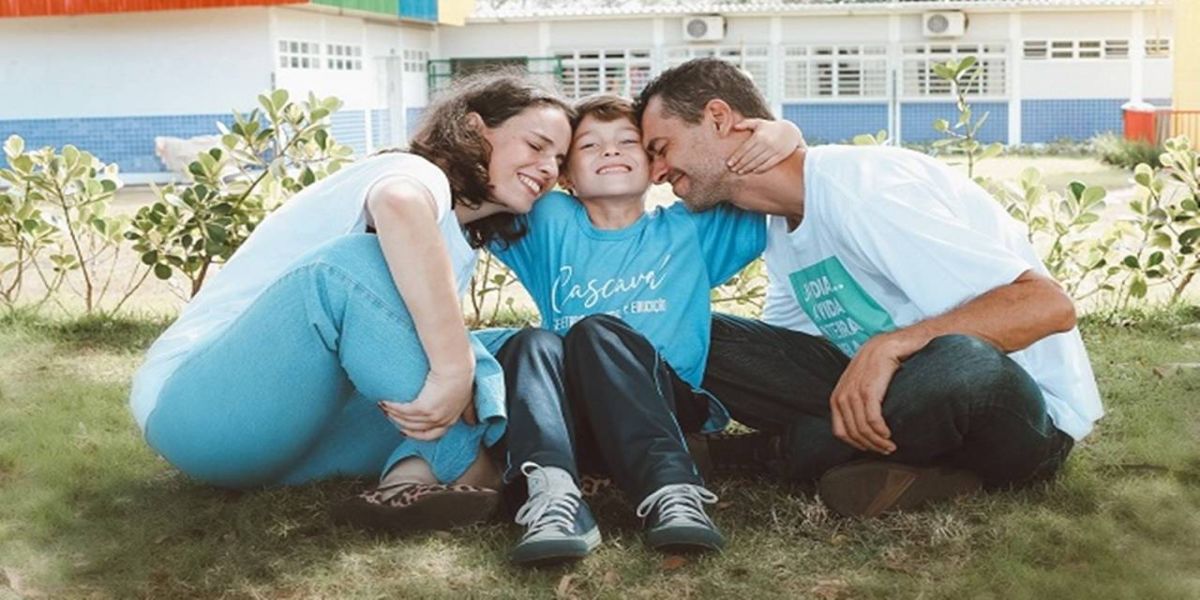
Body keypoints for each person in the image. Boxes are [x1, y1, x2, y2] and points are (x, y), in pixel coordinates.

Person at [635, 58, 1103, 518]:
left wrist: (891, 346)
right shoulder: (778, 224)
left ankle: (771, 454)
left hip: (1017, 411)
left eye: (662, 147)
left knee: (963, 363)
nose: (656, 172)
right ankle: (917, 471)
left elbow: (1046, 305)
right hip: (897, 399)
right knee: (689, 331)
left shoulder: (862, 189)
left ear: (718, 118)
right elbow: (786, 358)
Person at [127, 71, 572, 532]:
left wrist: (461, 359)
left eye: (559, 158)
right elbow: (399, 205)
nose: (548, 167)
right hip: (200, 410)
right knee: (346, 271)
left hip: (297, 441)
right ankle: (468, 464)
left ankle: (410, 479)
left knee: (517, 347)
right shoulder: (415, 175)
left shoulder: (458, 241)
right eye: (536, 145)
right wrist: (454, 366)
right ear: (476, 129)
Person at [478, 94, 801, 564]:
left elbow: (753, 172)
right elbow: (485, 183)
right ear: (565, 175)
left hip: (668, 405)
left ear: (656, 165)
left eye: (627, 142)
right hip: (571, 419)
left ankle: (674, 490)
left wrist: (783, 133)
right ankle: (552, 498)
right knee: (531, 343)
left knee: (595, 333)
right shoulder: (549, 223)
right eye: (590, 146)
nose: (610, 151)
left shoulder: (690, 228)